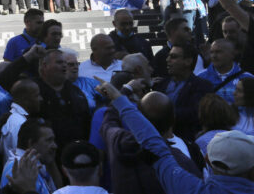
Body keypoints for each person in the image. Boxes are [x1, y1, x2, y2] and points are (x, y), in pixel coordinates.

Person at [99, 80, 254, 194]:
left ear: (207, 160)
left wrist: (120, 98)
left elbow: (154, 146)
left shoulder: (190, 187)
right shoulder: (187, 164)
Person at [100, 89, 203, 194]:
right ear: (174, 118)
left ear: (139, 118)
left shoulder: (118, 143)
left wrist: (123, 92)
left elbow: (108, 124)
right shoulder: (183, 161)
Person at [0, 46, 91, 151]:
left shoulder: (75, 91)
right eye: (59, 62)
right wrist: (28, 56)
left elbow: (86, 123)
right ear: (45, 66)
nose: (64, 65)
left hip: (74, 154)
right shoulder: (33, 88)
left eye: (65, 62)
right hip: (44, 156)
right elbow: (4, 79)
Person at [153, 44, 214, 140]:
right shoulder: (161, 84)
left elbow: (195, 113)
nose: (167, 60)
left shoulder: (202, 86)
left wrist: (162, 115)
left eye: (173, 57)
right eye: (168, 56)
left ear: (188, 61)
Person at [0, 118, 61, 194]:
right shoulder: (18, 169)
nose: (55, 146)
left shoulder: (34, 164)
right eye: (49, 140)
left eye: (53, 140)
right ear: (31, 143)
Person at [0, 79, 41, 165]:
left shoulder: (17, 119)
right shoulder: (19, 124)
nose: (41, 99)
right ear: (25, 99)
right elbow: (23, 160)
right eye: (37, 95)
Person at [198, 38, 254, 104]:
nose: (214, 56)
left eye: (219, 52)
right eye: (211, 52)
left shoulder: (248, 78)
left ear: (232, 54)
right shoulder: (200, 77)